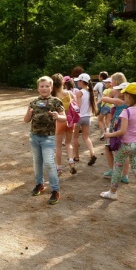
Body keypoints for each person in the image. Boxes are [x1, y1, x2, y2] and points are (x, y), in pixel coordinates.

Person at [100, 83, 136, 209]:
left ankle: (112, 192)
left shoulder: (126, 111)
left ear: (128, 95)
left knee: (118, 167)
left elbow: (122, 131)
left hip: (126, 145)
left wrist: (109, 134)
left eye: (125, 95)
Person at [24, 76, 66, 205]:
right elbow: (26, 120)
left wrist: (57, 116)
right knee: (37, 162)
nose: (44, 88)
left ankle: (55, 190)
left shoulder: (56, 102)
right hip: (35, 137)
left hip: (48, 138)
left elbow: (64, 119)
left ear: (51, 88)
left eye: (47, 86)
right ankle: (39, 184)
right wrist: (29, 114)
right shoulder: (33, 102)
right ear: (38, 88)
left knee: (48, 163)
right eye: (42, 86)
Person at [101, 72, 130, 183]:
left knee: (112, 149)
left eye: (112, 80)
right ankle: (125, 175)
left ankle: (114, 171)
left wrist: (107, 92)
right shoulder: (130, 102)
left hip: (116, 127)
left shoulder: (119, 99)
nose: (110, 82)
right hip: (123, 126)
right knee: (123, 152)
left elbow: (104, 99)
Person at [51, 73, 77, 176]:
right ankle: (71, 161)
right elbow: (76, 104)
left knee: (58, 146)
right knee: (68, 143)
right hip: (70, 120)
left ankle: (59, 168)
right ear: (63, 82)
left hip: (59, 122)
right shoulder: (69, 93)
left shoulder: (53, 96)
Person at [72, 73, 98, 165]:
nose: (77, 82)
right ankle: (92, 153)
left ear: (82, 82)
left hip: (79, 116)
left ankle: (76, 156)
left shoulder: (80, 92)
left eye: (79, 80)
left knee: (75, 137)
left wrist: (72, 101)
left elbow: (78, 106)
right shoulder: (90, 92)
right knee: (86, 137)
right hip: (87, 117)